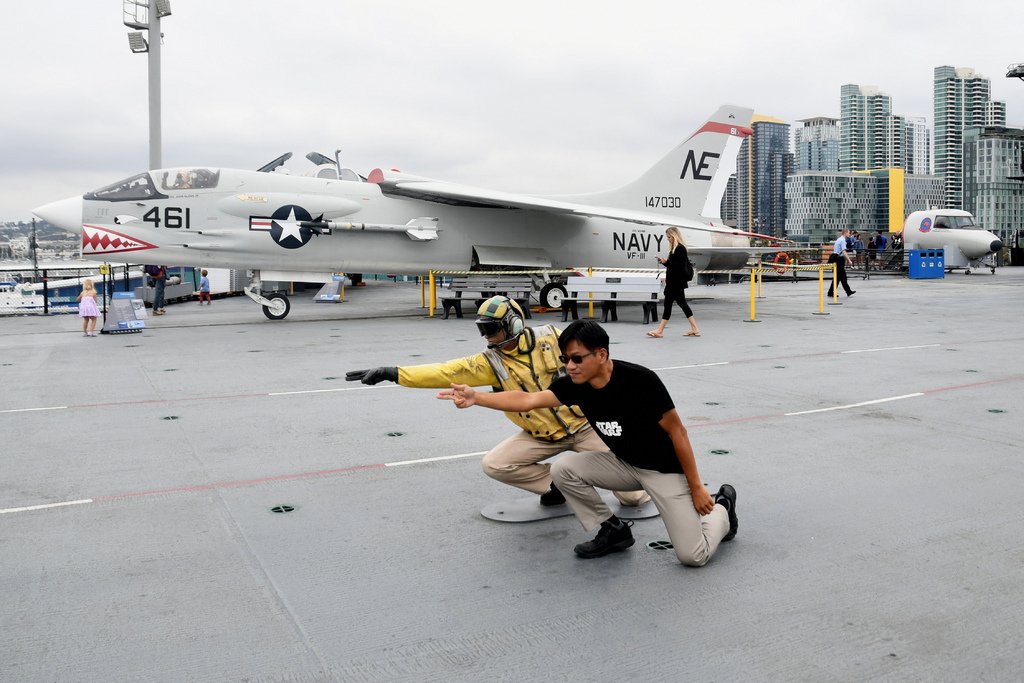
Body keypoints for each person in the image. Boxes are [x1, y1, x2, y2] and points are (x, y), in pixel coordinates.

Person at [439, 320, 737, 565]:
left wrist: (696, 487)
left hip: (664, 472)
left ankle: (723, 506)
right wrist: (477, 397)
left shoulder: (640, 381)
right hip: (623, 464)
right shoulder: (576, 385)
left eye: (577, 358)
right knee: (564, 469)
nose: (570, 366)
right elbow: (528, 400)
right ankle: (612, 529)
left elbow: (678, 433)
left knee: (692, 556)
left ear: (602, 355)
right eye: (565, 359)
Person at [346, 296, 650, 508]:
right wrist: (393, 373)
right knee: (496, 464)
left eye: (492, 329)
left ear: (514, 323)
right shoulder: (490, 361)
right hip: (541, 436)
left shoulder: (553, 337)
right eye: (483, 330)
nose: (487, 337)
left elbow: (598, 361)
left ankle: (658, 487)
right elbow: (444, 371)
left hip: (585, 426)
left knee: (632, 498)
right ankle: (559, 486)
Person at [647, 226, 700, 338]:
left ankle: (660, 330)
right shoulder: (675, 249)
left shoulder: (679, 249)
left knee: (668, 305)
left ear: (674, 236)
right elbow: (674, 265)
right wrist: (665, 262)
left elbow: (678, 267)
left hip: (675, 283)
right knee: (682, 304)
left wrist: (668, 262)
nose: (668, 239)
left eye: (669, 237)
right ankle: (694, 328)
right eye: (667, 237)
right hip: (676, 282)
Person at [826, 228, 855, 298]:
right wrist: (849, 260)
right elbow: (844, 251)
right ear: (845, 233)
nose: (849, 234)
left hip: (836, 258)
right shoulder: (842, 240)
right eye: (848, 233)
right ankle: (847, 291)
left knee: (839, 278)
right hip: (839, 259)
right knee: (841, 277)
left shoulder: (839, 239)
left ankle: (846, 291)